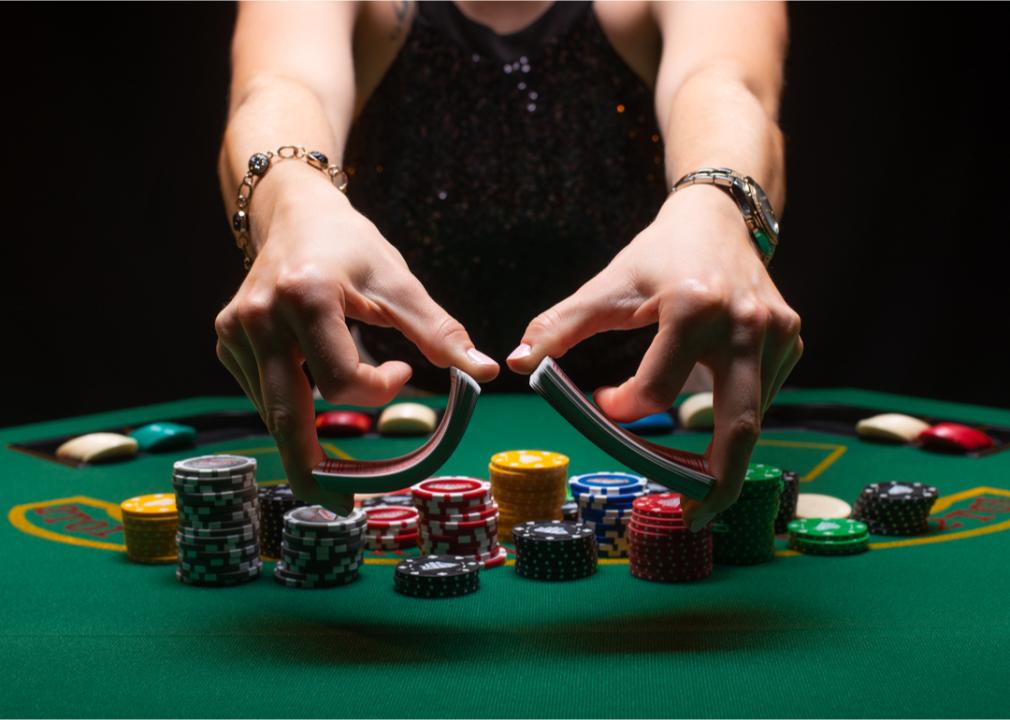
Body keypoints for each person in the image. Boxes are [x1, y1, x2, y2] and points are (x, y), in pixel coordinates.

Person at [214, 1, 802, 530]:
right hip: (381, 414)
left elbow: (727, 83)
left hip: (665, 414)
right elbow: (279, 86)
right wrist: (292, 200)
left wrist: (716, 204)